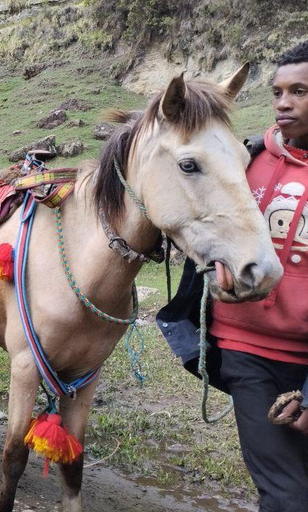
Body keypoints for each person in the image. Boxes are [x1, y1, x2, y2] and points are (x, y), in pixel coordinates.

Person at [159, 42, 308, 512]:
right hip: (249, 353)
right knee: (287, 494)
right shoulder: (246, 162)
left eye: (299, 91)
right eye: (278, 91)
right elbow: (211, 224)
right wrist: (211, 270)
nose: (283, 103)